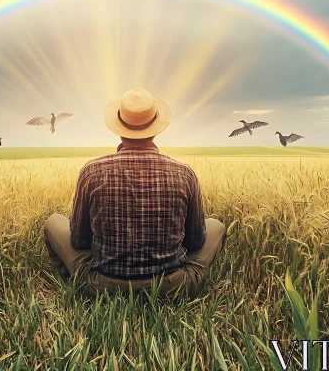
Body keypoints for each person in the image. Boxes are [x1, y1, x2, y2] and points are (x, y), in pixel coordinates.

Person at [44, 88, 226, 298]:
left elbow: (78, 240)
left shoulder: (91, 171)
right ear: (156, 128)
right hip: (172, 287)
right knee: (216, 226)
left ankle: (73, 284)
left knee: (54, 222)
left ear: (118, 128)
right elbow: (195, 242)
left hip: (101, 287)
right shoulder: (184, 173)